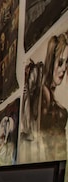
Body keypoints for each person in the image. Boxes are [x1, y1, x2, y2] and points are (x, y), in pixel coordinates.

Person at [39, 33, 68, 161]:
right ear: (51, 61)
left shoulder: (49, 93)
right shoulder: (44, 93)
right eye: (60, 62)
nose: (63, 69)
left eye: (67, 62)